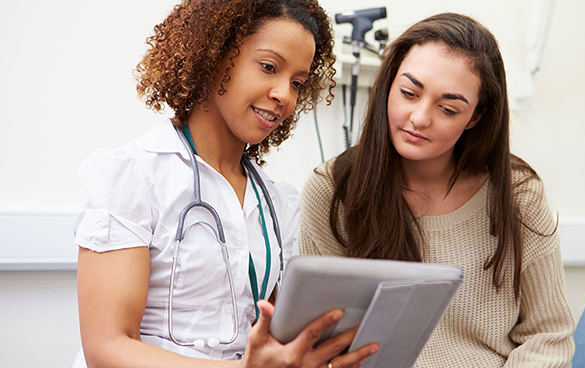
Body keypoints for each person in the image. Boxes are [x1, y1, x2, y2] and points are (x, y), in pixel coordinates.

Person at [73, 0, 378, 366]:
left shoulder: (277, 203)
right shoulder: (132, 176)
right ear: (214, 54)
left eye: (297, 83)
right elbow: (106, 348)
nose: (284, 95)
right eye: (269, 67)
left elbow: (272, 338)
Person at [299, 12, 575, 367]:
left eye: (447, 108)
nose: (419, 117)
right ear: (388, 85)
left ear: (475, 117)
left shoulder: (519, 193)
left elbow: (549, 337)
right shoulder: (332, 190)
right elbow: (320, 343)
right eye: (409, 93)